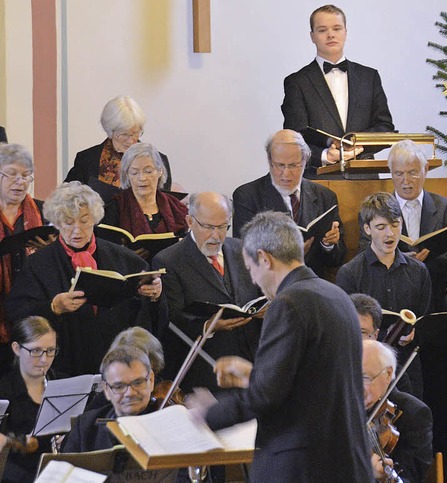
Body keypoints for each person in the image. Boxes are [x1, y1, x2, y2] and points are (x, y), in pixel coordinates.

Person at [186, 211, 373, 482]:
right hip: (345, 460)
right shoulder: (337, 295)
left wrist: (209, 413)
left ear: (264, 258)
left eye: (251, 269)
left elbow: (266, 397)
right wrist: (254, 373)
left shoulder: (288, 304)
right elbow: (313, 382)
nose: (254, 281)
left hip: (302, 466)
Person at [358, 139, 447, 456]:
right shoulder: (379, 209)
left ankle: (436, 460)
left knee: (432, 394)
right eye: (399, 173)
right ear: (390, 174)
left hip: (433, 307)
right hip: (391, 297)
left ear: (425, 171)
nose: (406, 180)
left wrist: (425, 260)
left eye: (413, 173)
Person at [6, 181, 165, 376]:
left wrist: (154, 295)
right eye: (68, 222)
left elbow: (148, 319)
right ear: (56, 222)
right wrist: (53, 307)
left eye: (84, 220)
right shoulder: (38, 264)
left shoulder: (125, 259)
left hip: (119, 366)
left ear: (95, 219)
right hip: (64, 365)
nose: (77, 230)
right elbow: (17, 313)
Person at [152, 192, 262, 388]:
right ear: (190, 222)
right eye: (208, 227)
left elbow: (258, 292)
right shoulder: (169, 260)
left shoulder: (241, 249)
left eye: (222, 227)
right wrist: (208, 326)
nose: (215, 235)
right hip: (206, 369)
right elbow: (173, 320)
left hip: (251, 364)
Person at [337, 192, 431, 400]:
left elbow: (426, 318)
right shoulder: (350, 273)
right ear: (367, 229)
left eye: (395, 225)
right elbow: (345, 330)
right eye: (381, 227)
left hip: (407, 367)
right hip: (366, 373)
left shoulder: (419, 271)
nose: (390, 234)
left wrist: (416, 333)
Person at [281, 4, 394, 173]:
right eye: (322, 30)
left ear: (346, 33)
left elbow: (385, 127)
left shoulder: (369, 77)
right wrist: (325, 155)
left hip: (364, 175)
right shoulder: (296, 82)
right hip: (317, 179)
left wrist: (358, 144)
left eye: (337, 28)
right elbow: (294, 138)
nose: (330, 34)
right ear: (312, 36)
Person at [232, 129, 346, 279]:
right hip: (268, 289)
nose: (286, 174)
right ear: (269, 161)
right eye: (279, 165)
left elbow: (337, 259)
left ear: (305, 162)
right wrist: (291, 256)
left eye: (293, 166)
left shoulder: (325, 196)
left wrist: (329, 244)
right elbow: (245, 257)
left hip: (311, 287)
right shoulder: (247, 196)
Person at [0, 144, 51, 377]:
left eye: (26, 175)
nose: (20, 182)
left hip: (33, 308)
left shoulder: (43, 213)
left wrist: (50, 250)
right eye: (12, 174)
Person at [64, 95, 172, 202]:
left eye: (135, 133)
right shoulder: (86, 159)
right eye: (124, 134)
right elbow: (67, 198)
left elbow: (163, 203)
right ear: (110, 131)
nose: (130, 140)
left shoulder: (158, 160)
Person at [0, 316, 61, 483]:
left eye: (50, 350)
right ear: (17, 349)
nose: (44, 360)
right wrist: (17, 441)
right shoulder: (4, 391)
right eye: (36, 351)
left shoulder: (64, 385)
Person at [62, 346, 155, 453]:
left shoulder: (170, 424)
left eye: (138, 383)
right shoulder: (84, 426)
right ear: (106, 389)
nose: (130, 393)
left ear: (151, 380)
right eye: (119, 386)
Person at [363, 340, 432, 483]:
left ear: (388, 374)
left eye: (365, 378)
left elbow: (410, 478)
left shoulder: (414, 414)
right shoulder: (340, 408)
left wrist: (374, 477)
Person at [102, 142, 188, 242]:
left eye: (148, 171)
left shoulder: (177, 208)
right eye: (134, 172)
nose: (142, 178)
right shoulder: (115, 208)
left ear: (159, 171)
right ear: (127, 175)